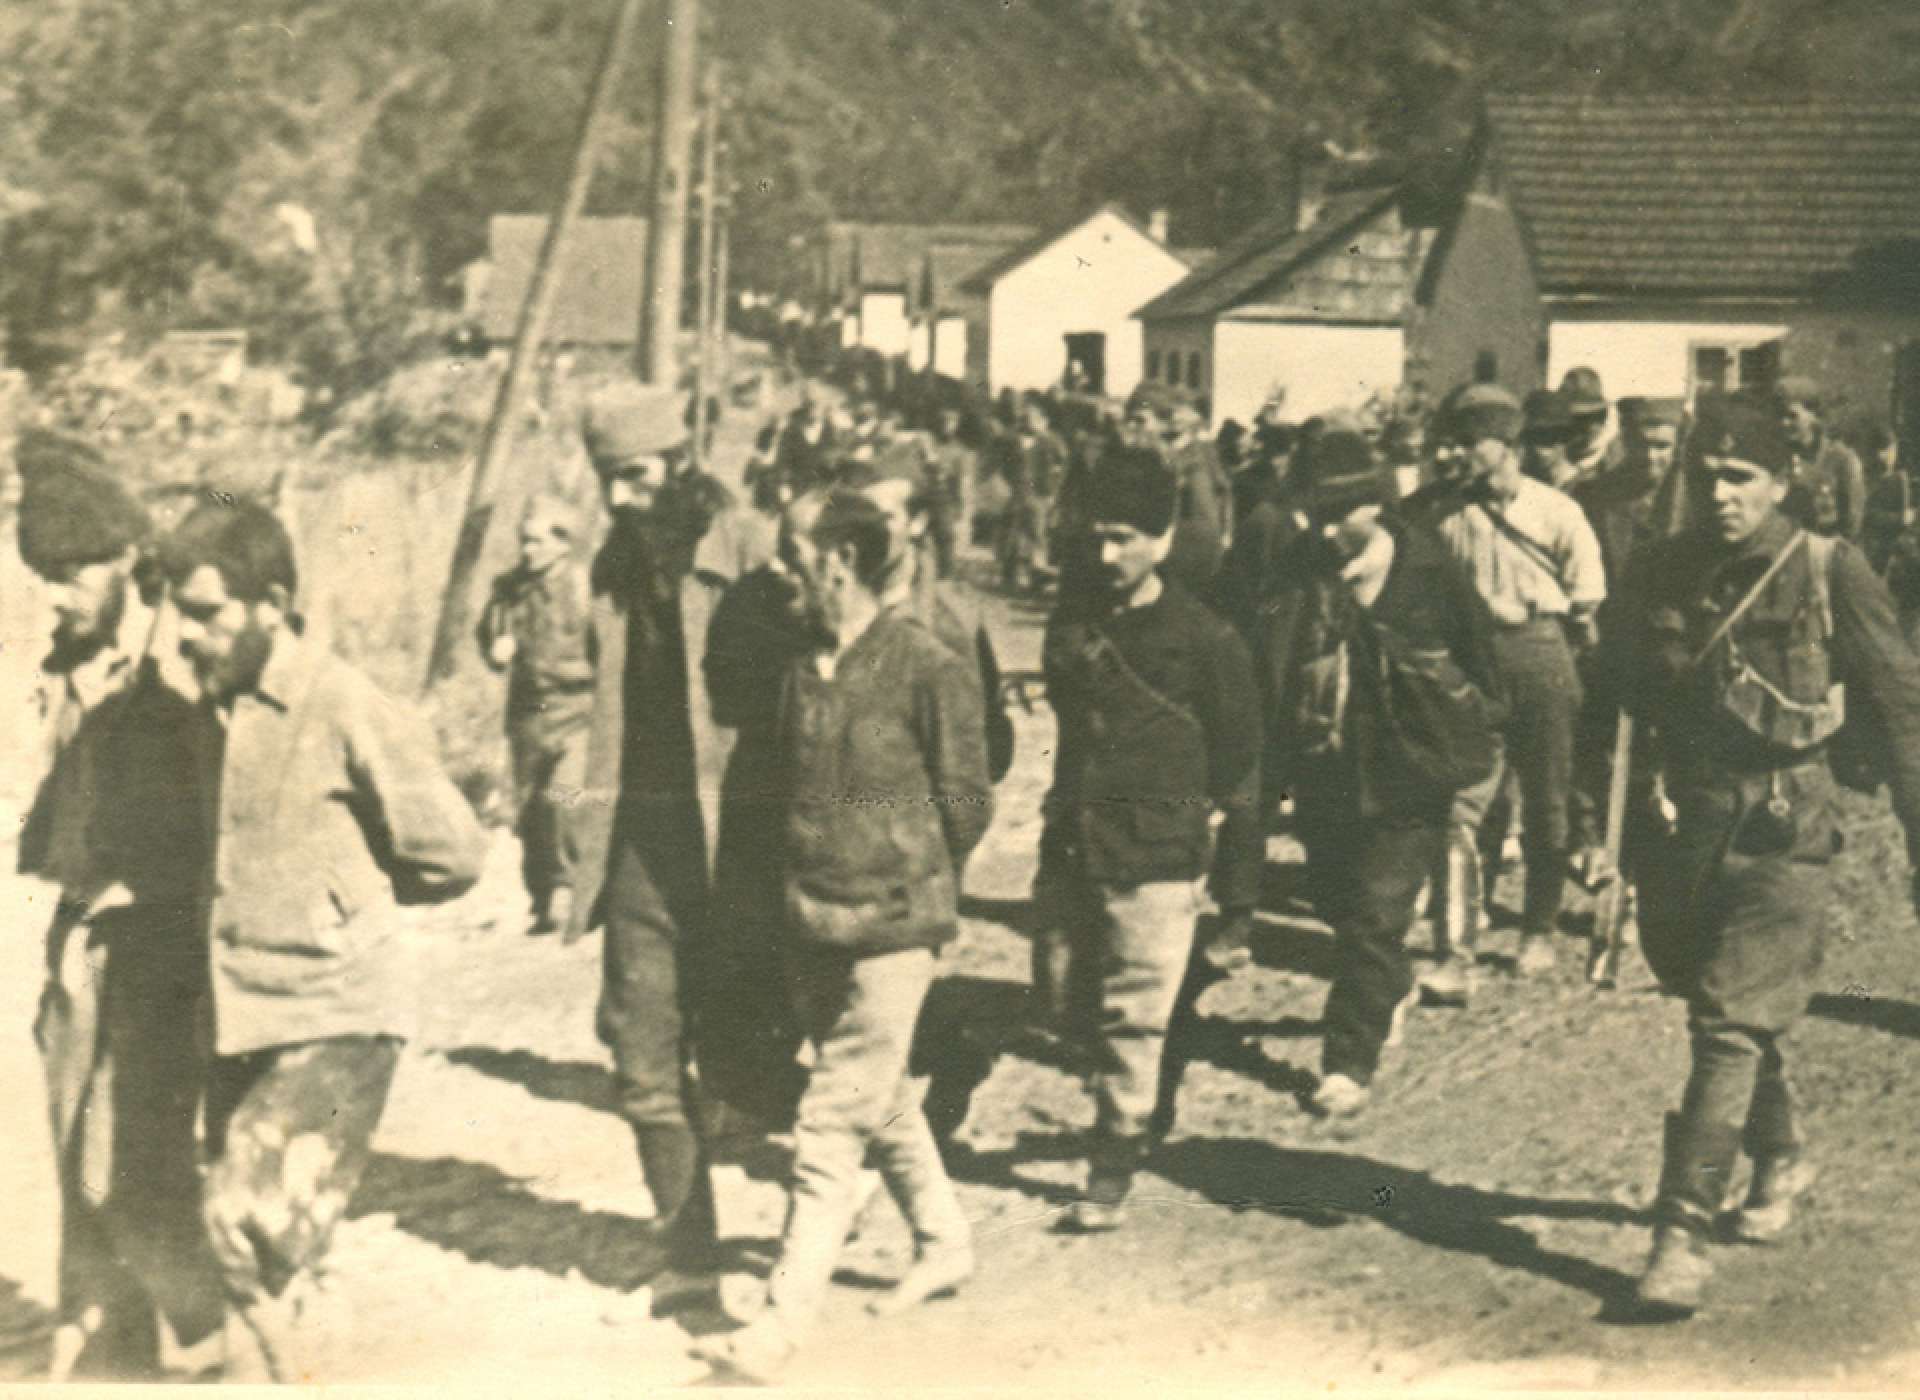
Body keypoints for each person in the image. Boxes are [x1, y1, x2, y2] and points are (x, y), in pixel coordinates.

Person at [1599, 394, 1920, 1318]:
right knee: (1720, 1001)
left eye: (1740, 479)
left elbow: (1901, 705)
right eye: (1707, 478)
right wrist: (1597, 832)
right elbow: (1610, 700)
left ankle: (1679, 1236)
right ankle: (1778, 1152)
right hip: (1685, 825)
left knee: (1727, 1024)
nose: (1721, 495)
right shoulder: (1660, 570)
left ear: (1783, 481)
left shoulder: (1827, 568)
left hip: (1787, 825)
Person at [161, 498, 485, 1380]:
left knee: (240, 1211)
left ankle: (301, 1368)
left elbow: (451, 853)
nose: (185, 635)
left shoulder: (345, 704)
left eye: (205, 612)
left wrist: (343, 909)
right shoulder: (209, 711)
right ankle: (290, 1364)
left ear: (272, 603)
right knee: (265, 1257)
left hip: (337, 1016)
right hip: (239, 1013)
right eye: (177, 612)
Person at [694, 491, 992, 1383]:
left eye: (799, 562)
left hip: (894, 926)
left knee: (829, 1121)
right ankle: (945, 1241)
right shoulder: (797, 668)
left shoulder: (927, 666)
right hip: (809, 916)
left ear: (842, 564)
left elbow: (968, 804)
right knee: (881, 1094)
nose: (785, 577)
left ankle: (779, 1325)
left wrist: (907, 869)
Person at [13, 432, 224, 1379]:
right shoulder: (71, 660)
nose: (56, 595)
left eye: (72, 573)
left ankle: (203, 1346)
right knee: (75, 1147)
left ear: (128, 561)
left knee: (143, 1157)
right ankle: (104, 1341)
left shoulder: (182, 662)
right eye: (43, 575)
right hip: (87, 935)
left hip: (169, 942)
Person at [566, 382, 774, 1284]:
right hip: (644, 843)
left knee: (766, 1063)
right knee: (642, 1055)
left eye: (635, 477)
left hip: (745, 845)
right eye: (606, 480)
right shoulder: (610, 572)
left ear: (682, 466)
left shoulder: (756, 553)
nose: (617, 498)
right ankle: (691, 1261)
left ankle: (911, 1212)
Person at [1034, 445, 1261, 1231]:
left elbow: (1238, 756)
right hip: (1074, 843)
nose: (1107, 554)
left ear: (1163, 539)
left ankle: (1111, 1164)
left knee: (1134, 1014)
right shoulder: (1073, 621)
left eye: (1125, 537)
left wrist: (1232, 881)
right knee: (1062, 999)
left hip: (1156, 851)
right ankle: (1137, 1111)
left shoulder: (1207, 638)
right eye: (1097, 536)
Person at [1254, 430, 1502, 1116]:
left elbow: (1481, 659)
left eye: (1344, 515)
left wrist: (1472, 745)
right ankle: (1389, 985)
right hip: (1326, 769)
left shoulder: (1428, 566)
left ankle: (1346, 1063)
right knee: (1338, 901)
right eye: (1317, 514)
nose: (1329, 531)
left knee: (1373, 915)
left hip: (1409, 772)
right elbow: (1264, 663)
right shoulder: (1298, 570)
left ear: (1377, 504)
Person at [1413, 384, 1606, 983]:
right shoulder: (1444, 514)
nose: (1458, 455)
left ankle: (1539, 929)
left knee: (1547, 804)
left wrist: (1552, 649)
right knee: (1462, 806)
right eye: (1454, 443)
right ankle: (1455, 951)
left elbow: (1587, 598)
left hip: (1541, 656)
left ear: (1507, 446)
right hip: (1473, 665)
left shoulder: (1557, 511)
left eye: (1471, 443)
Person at [477, 493, 594, 934]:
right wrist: (496, 648)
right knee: (530, 808)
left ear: (563, 544)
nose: (526, 551)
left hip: (578, 708)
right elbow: (490, 634)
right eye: (523, 541)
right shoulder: (508, 590)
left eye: (535, 542)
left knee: (565, 796)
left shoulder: (585, 587)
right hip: (528, 713)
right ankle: (543, 894)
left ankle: (569, 888)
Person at [1774, 377, 1866, 542]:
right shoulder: (1777, 457)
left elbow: (1852, 525)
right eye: (1780, 415)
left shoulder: (1842, 459)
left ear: (1814, 416)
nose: (1784, 423)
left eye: (1792, 416)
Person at [1557, 366, 1625, 491]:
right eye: (1566, 417)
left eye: (1583, 419)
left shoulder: (1617, 458)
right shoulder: (1556, 452)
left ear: (1602, 417)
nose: (1573, 426)